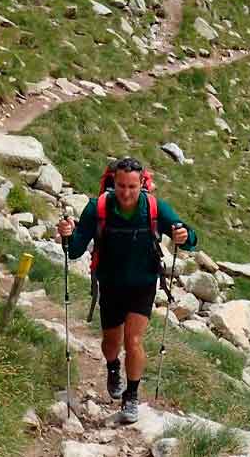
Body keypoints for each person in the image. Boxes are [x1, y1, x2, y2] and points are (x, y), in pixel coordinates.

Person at [57, 157, 197, 424]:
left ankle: (131, 396)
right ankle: (113, 368)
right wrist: (66, 234)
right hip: (110, 284)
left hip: (143, 284)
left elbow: (189, 237)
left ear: (142, 184)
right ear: (114, 182)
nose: (126, 192)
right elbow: (74, 250)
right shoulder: (97, 207)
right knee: (111, 343)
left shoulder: (155, 207)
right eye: (121, 186)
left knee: (133, 341)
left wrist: (184, 236)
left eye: (132, 187)